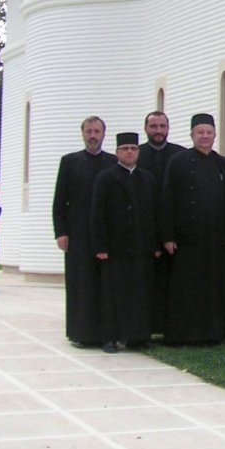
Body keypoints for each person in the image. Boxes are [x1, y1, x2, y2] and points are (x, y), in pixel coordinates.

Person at [160, 113, 225, 345]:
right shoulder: (178, 161)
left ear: (214, 136)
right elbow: (167, 199)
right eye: (200, 133)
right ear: (192, 135)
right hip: (186, 238)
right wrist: (167, 235)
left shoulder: (222, 163)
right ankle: (182, 335)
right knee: (186, 288)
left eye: (209, 133)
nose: (205, 137)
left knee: (213, 288)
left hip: (214, 239)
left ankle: (210, 334)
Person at [90, 133, 161, 353]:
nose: (129, 152)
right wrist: (100, 246)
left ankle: (137, 337)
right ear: (117, 152)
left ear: (138, 152)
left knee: (140, 293)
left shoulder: (148, 179)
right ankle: (110, 338)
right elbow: (97, 214)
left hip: (141, 246)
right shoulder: (105, 178)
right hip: (114, 247)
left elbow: (155, 214)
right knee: (112, 295)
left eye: (133, 148)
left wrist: (156, 245)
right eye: (125, 148)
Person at [53, 116, 117, 345]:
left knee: (104, 285)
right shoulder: (70, 162)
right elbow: (59, 200)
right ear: (82, 133)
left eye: (97, 131)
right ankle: (80, 334)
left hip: (106, 235)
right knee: (81, 284)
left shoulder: (113, 162)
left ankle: (105, 334)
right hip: (77, 234)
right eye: (89, 131)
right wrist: (60, 232)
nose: (93, 135)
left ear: (103, 134)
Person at [137, 110, 185, 337]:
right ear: (146, 128)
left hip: (172, 230)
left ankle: (168, 325)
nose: (158, 131)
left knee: (171, 281)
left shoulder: (180, 155)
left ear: (168, 128)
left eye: (162, 126)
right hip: (142, 228)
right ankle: (145, 325)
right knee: (144, 281)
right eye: (153, 126)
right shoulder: (136, 154)